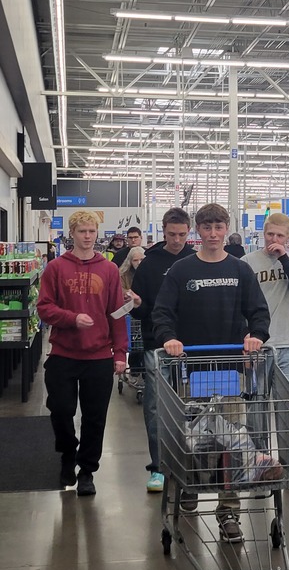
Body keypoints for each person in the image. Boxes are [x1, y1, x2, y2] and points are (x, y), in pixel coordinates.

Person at [154, 202, 270, 543]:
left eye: (219, 227)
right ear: (198, 232)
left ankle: (228, 511)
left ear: (225, 229)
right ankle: (188, 486)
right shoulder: (181, 271)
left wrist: (256, 336)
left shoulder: (240, 270)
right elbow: (163, 312)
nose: (214, 234)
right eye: (207, 228)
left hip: (231, 371)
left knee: (232, 441)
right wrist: (170, 338)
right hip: (189, 371)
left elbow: (258, 311)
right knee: (191, 439)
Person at [37, 210, 127, 497]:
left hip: (99, 356)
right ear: (72, 234)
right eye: (82, 231)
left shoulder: (109, 270)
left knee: (95, 417)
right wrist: (71, 318)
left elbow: (116, 313)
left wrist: (120, 353)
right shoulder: (56, 268)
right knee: (61, 410)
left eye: (91, 231)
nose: (87, 236)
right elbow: (44, 307)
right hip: (63, 353)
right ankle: (67, 453)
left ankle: (87, 470)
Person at [242, 212, 289, 482]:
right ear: (263, 233)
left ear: (288, 238)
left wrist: (285, 258)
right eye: (270, 234)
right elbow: (240, 306)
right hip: (257, 347)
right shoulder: (247, 262)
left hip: (288, 346)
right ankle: (259, 461)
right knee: (256, 408)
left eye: (280, 236)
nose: (274, 240)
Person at [127, 208, 192, 493]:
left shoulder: (196, 259)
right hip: (159, 346)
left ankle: (189, 461)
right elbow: (141, 312)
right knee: (155, 408)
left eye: (182, 235)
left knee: (196, 407)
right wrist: (137, 304)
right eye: (171, 234)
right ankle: (158, 467)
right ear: (163, 231)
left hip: (195, 346)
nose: (177, 240)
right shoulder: (150, 263)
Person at [119, 246, 146, 374]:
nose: (139, 263)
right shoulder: (123, 274)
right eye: (135, 260)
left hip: (144, 311)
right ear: (130, 261)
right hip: (129, 313)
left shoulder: (150, 272)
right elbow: (120, 290)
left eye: (142, 259)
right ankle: (134, 368)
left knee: (142, 342)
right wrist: (128, 294)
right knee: (134, 342)